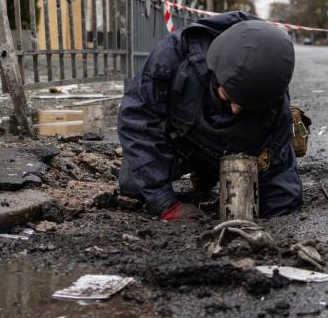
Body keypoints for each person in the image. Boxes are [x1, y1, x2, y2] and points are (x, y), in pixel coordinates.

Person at [117, 12, 303, 221]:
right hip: (177, 143)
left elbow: (279, 178)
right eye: (228, 96)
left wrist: (266, 217)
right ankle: (199, 177)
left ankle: (208, 177)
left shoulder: (275, 104)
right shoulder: (173, 57)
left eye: (245, 106)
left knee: (285, 199)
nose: (235, 110)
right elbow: (137, 119)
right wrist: (165, 203)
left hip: (230, 152)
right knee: (133, 184)